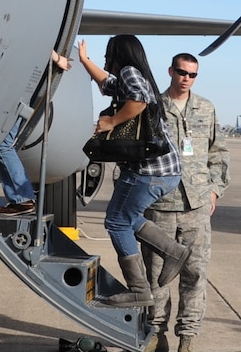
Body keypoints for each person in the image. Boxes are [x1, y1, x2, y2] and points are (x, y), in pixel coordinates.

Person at [74, 35, 189, 310]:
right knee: (127, 218)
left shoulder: (129, 72)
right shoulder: (134, 75)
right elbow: (106, 84)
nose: (105, 59)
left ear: (119, 53)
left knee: (116, 222)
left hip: (148, 170)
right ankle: (173, 251)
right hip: (164, 170)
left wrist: (110, 121)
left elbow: (137, 101)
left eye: (107, 54)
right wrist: (84, 61)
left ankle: (139, 290)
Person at [140, 53, 230, 352]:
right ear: (170, 71)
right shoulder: (153, 107)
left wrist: (215, 191)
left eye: (192, 74)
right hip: (160, 205)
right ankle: (155, 334)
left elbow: (218, 151)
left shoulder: (205, 108)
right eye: (181, 72)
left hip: (196, 206)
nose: (186, 78)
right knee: (157, 276)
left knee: (195, 273)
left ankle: (187, 338)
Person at [0, 49, 73, 217]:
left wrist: (57, 58)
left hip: (16, 91)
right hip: (22, 91)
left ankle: (22, 200)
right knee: (5, 144)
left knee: (3, 145)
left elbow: (41, 38)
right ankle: (22, 199)